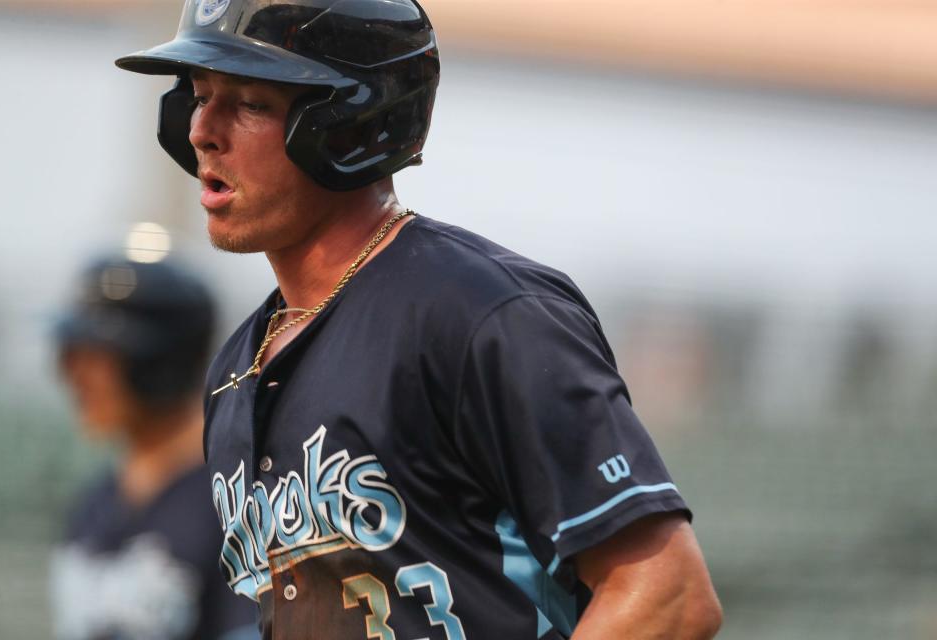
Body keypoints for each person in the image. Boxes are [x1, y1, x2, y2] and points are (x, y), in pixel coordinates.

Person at [115, 1, 723, 638]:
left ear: (348, 124)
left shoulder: (481, 313)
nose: (202, 130)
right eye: (200, 95)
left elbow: (667, 594)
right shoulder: (235, 371)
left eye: (249, 103)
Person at [51, 256, 259, 640]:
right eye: (72, 356)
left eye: (98, 359)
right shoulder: (94, 503)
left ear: (163, 361)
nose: (76, 378)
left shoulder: (237, 499)